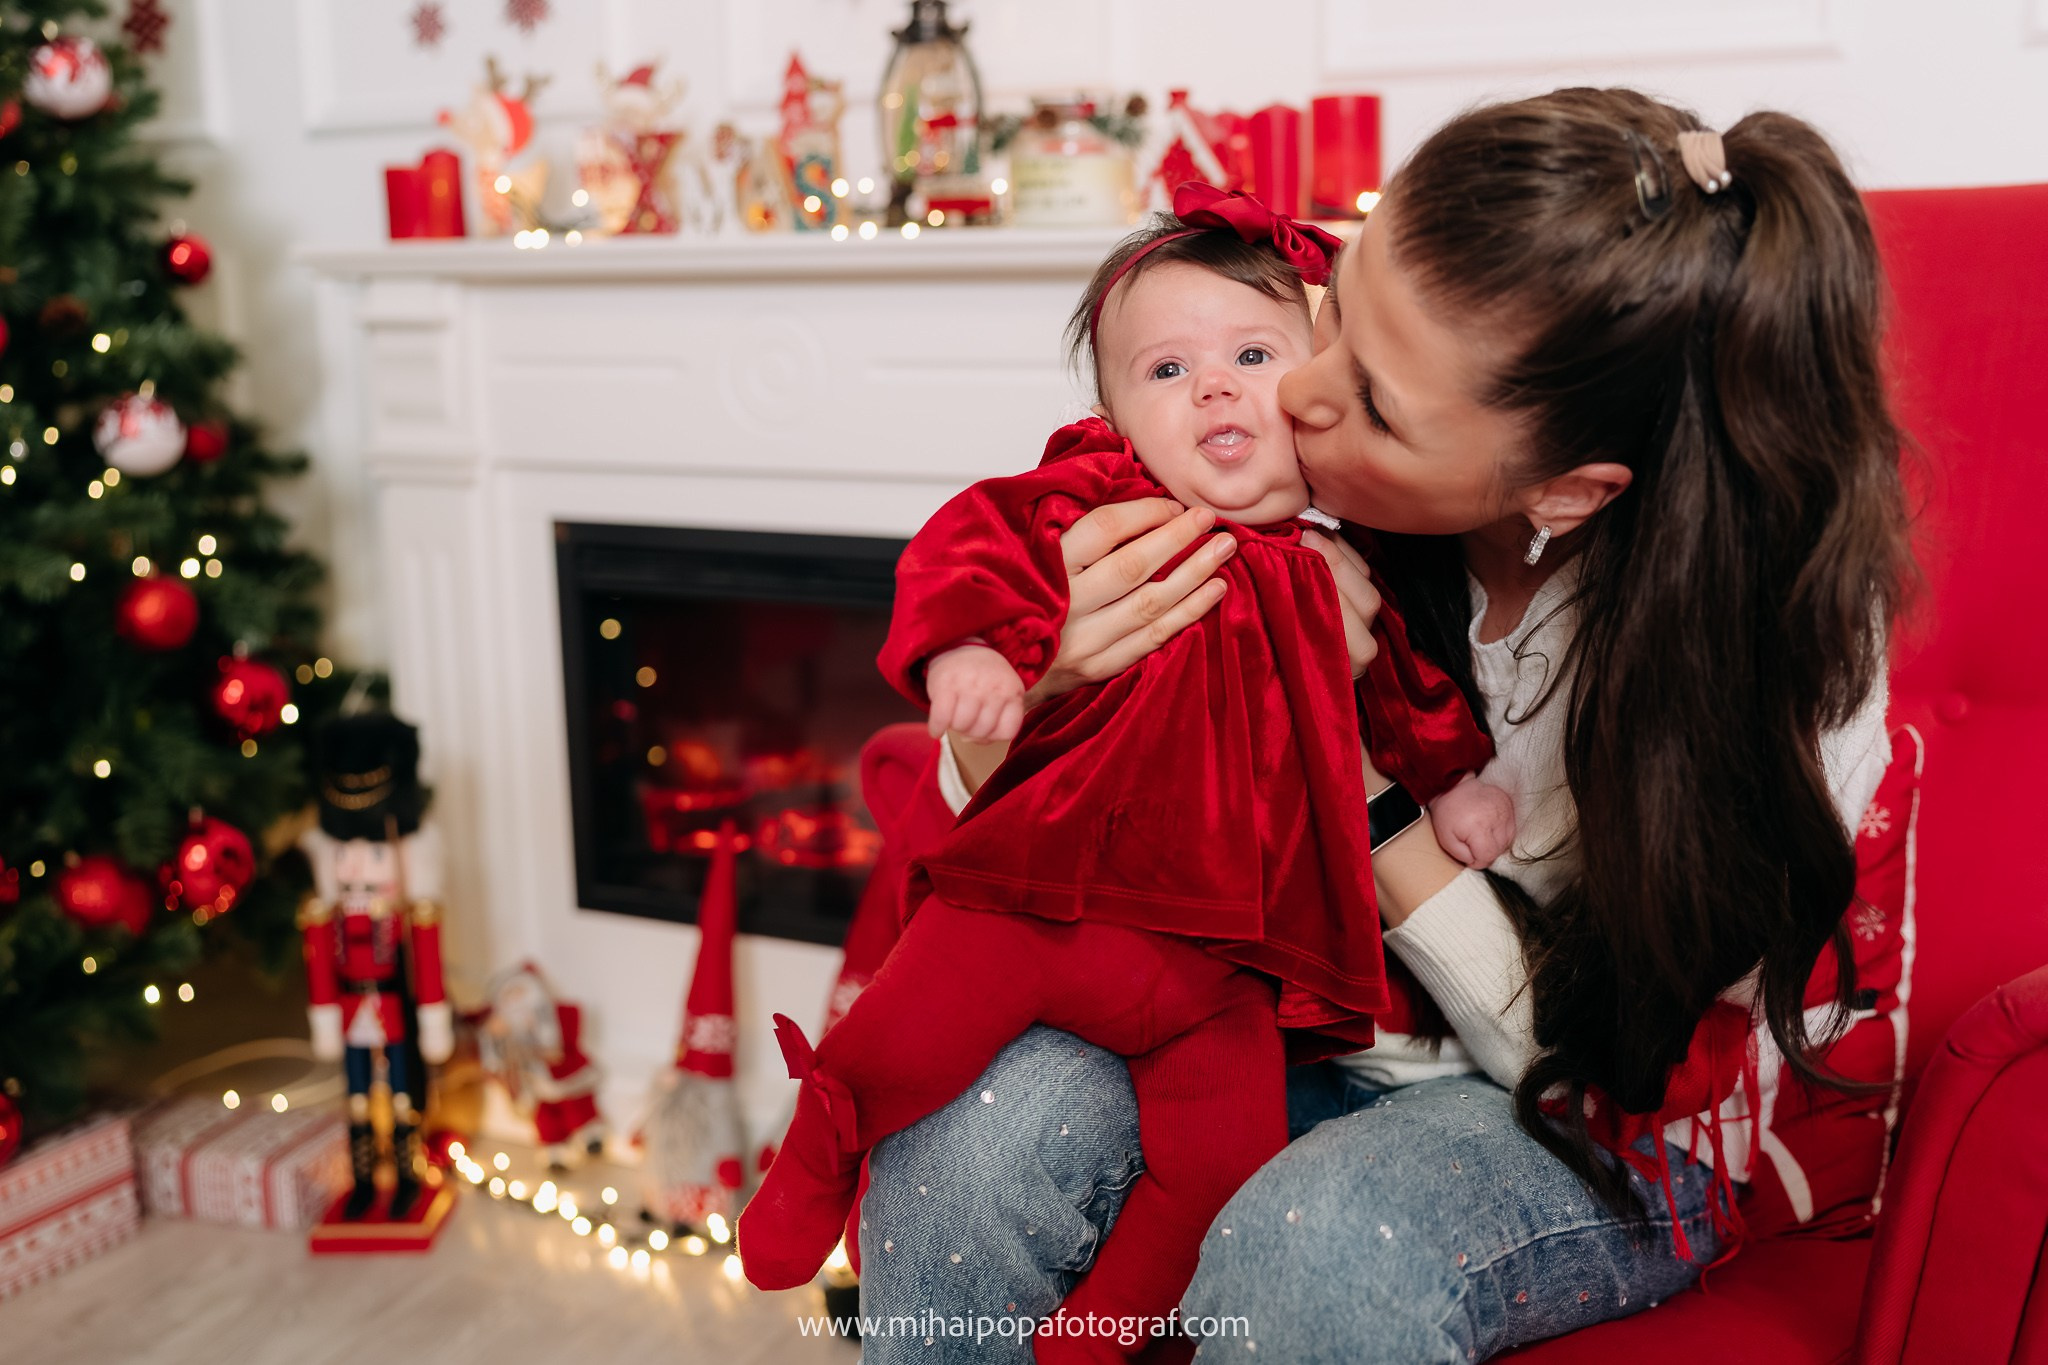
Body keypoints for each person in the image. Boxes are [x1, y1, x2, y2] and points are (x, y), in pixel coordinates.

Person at [854, 88, 1908, 1364]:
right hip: (1277, 1022)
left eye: (1376, 405)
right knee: (961, 1138)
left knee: (1318, 1239)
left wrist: (1343, 774)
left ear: (1564, 492)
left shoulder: (1762, 660)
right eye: (1334, 308)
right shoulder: (1296, 453)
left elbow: (1619, 1072)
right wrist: (1048, 686)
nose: (1294, 391)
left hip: (1595, 1113)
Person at [737, 186, 1515, 1350]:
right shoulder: (1098, 505)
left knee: (1217, 1158)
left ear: (1322, 387)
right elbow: (970, 548)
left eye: (1252, 354)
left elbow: (1408, 696)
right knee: (920, 1071)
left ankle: (1101, 1331)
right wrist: (985, 662)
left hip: (1230, 973)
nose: (1210, 387)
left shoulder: (1351, 563)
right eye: (1163, 372)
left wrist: (1448, 783)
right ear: (1107, 417)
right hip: (1051, 900)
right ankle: (819, 1142)